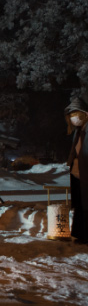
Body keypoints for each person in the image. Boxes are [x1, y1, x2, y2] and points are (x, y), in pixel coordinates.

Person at [65, 96, 88, 244]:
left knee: (86, 205)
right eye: (71, 115)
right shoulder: (78, 132)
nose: (74, 118)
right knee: (80, 206)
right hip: (78, 174)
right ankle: (81, 234)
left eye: (77, 114)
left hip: (85, 173)